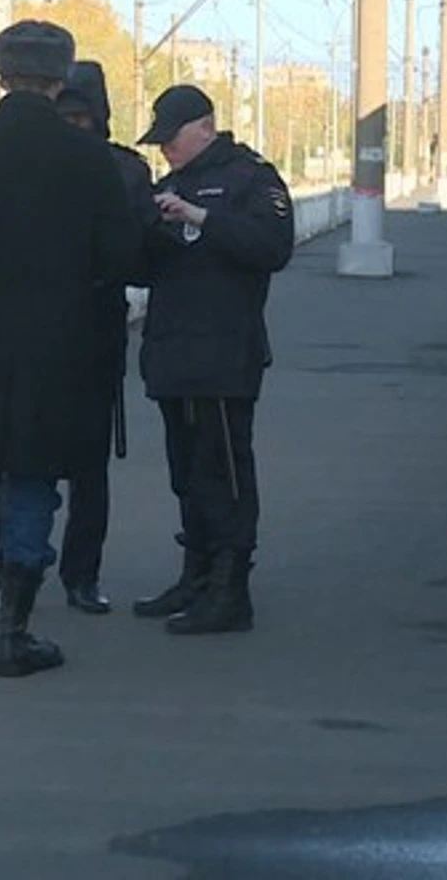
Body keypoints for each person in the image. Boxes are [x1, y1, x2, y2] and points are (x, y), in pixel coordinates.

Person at [0, 21, 142, 678]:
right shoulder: (89, 158)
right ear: (60, 77)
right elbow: (121, 253)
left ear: (0, 70)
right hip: (59, 346)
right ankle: (15, 633)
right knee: (35, 483)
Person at [130, 84, 295, 635]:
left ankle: (230, 590)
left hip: (225, 355)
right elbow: (145, 266)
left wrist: (201, 217)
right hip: (173, 351)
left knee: (223, 471)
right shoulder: (168, 185)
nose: (163, 151)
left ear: (203, 127)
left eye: (170, 139)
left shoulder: (253, 178)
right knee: (187, 473)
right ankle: (196, 575)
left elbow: (273, 247)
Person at [40, 60, 160, 613]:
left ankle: (25, 574)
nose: (73, 126)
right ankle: (77, 579)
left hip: (48, 334)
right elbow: (140, 261)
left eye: (78, 116)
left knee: (30, 465)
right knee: (85, 470)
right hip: (93, 332)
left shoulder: (26, 163)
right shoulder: (126, 170)